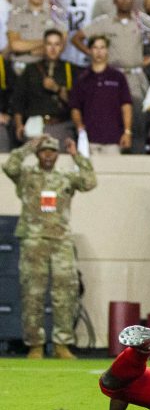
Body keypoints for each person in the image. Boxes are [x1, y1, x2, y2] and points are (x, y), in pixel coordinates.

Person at [3, 135, 96, 359]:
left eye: (52, 151)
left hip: (60, 241)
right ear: (37, 154)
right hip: (33, 241)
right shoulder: (26, 176)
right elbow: (10, 166)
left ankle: (62, 343)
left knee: (65, 293)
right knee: (32, 294)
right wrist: (27, 147)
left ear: (57, 155)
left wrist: (76, 155)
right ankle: (35, 344)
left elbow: (89, 181)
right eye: (43, 151)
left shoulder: (65, 177)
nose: (47, 155)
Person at [10, 30, 76, 146]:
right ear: (44, 46)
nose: (53, 48)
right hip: (34, 126)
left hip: (61, 126)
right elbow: (18, 100)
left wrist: (57, 88)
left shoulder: (70, 70)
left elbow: (76, 102)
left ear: (62, 47)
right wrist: (19, 124)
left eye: (57, 44)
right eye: (49, 44)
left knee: (61, 162)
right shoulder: (31, 70)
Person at [68, 37, 133, 154]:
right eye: (95, 48)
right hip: (89, 139)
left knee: (114, 171)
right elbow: (75, 107)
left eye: (102, 47)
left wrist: (127, 132)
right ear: (89, 50)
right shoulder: (82, 78)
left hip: (114, 139)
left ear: (107, 50)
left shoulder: (118, 77)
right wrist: (80, 128)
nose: (99, 52)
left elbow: (126, 105)